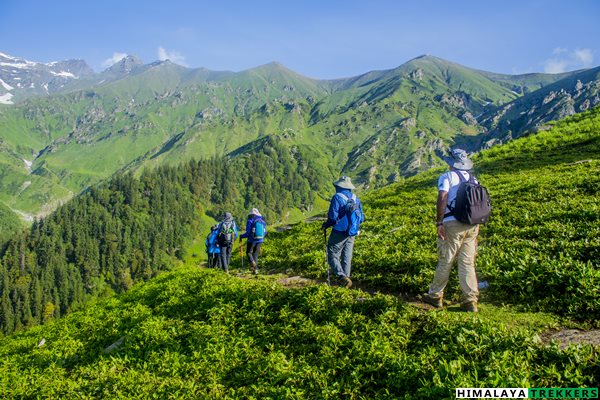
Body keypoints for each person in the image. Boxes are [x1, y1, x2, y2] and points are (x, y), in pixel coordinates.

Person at [422, 149, 480, 312]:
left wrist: (439, 222)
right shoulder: (473, 179)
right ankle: (470, 300)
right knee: (467, 262)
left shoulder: (447, 177)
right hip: (472, 225)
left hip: (452, 223)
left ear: (451, 163)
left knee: (446, 259)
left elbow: (442, 197)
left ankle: (435, 295)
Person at [322, 176, 364, 288]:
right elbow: (362, 217)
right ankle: (347, 279)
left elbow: (332, 217)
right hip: (353, 231)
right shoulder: (356, 198)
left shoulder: (337, 197)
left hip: (339, 231)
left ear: (338, 186)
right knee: (347, 255)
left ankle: (341, 276)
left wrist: (326, 225)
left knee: (332, 253)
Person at [239, 208, 267, 275]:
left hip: (252, 240)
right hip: (260, 240)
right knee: (255, 254)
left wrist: (241, 236)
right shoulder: (262, 221)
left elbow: (248, 233)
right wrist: (261, 238)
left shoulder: (250, 220)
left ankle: (252, 263)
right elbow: (265, 232)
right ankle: (256, 270)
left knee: (248, 252)